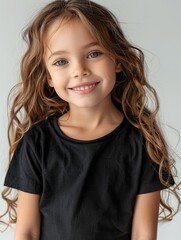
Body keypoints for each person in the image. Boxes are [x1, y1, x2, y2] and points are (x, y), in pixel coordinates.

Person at [0, 0, 180, 239]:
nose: (79, 70)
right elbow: (27, 233)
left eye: (93, 53)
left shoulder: (143, 141)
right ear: (48, 77)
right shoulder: (36, 143)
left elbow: (143, 235)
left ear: (117, 60)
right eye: (61, 61)